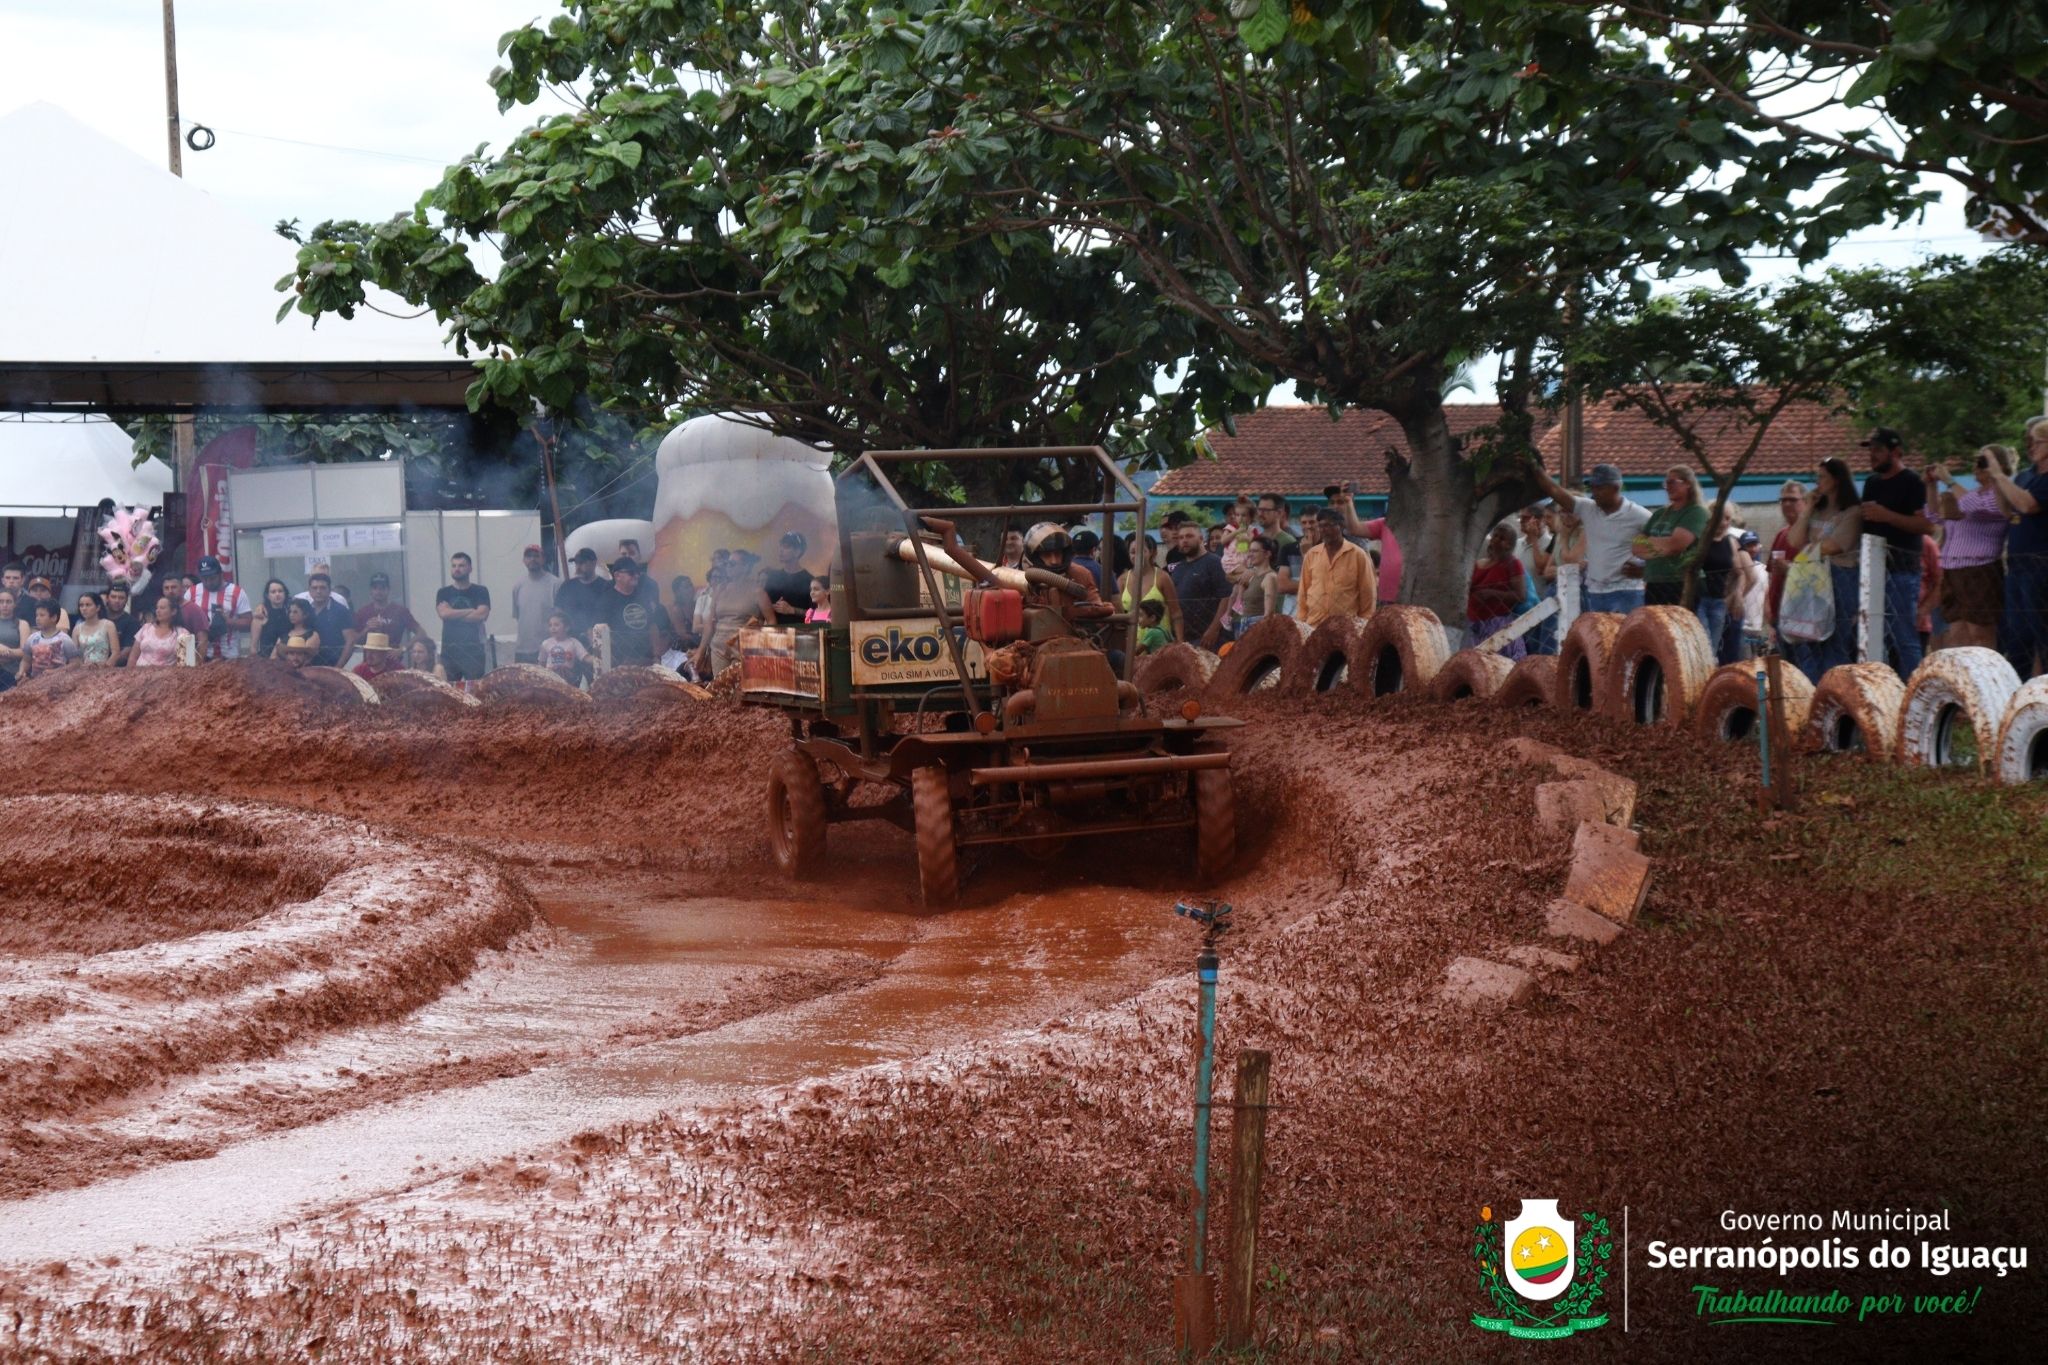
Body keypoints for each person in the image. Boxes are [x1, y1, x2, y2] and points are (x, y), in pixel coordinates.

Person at [1527, 460, 1652, 615]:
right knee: (1599, 639)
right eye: (1592, 487)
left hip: (1627, 592)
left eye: (1599, 487)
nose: (1594, 492)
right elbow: (1555, 491)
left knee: (1625, 638)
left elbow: (1663, 545)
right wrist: (1533, 466)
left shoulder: (1640, 516)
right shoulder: (1588, 508)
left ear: (1616, 487)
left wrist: (1647, 569)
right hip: (1595, 593)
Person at [1857, 427, 1932, 679]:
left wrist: (1887, 516)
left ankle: (1913, 690)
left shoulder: (1912, 482)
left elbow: (1925, 525)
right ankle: (1880, 685)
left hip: (1902, 571)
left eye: (1878, 450)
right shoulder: (1871, 483)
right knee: (1872, 634)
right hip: (1872, 570)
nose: (1873, 455)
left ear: (1896, 451)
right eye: (1871, 450)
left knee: (1903, 635)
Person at [1784, 457, 1864, 681]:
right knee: (1809, 639)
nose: (1817, 482)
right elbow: (1794, 539)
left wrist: (1807, 552)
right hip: (1812, 579)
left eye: (1822, 477)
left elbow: (1835, 545)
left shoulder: (1852, 511)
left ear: (1836, 479)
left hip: (1840, 576)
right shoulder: (1818, 510)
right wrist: (1808, 508)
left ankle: (1834, 689)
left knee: (1836, 640)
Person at [1927, 446, 2014, 651]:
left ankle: (1987, 678)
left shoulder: (2000, 494)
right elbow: (1934, 516)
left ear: (1997, 466)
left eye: (1982, 462)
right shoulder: (1969, 494)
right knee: (1956, 633)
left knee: (1980, 633)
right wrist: (1931, 485)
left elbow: (1974, 506)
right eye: (1976, 461)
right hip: (1953, 568)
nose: (1976, 467)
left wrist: (1949, 481)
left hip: (1979, 568)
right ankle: (1965, 678)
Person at [1994, 419, 2048, 678]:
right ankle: (2019, 696)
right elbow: (2009, 510)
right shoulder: (2026, 475)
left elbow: (2028, 505)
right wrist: (1998, 483)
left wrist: (1998, 475)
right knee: (2016, 636)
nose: (2031, 447)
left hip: (2040, 566)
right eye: (2029, 441)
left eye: (2037, 441)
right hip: (2016, 566)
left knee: (2041, 633)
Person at [1634, 467, 1708, 607]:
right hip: (1654, 581)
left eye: (1672, 482)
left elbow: (1677, 544)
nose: (1668, 487)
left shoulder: (1696, 512)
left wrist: (1651, 544)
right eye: (1666, 483)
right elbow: (1637, 546)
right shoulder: (1659, 514)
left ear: (1687, 483)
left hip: (1681, 582)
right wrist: (1665, 546)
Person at [1293, 508, 1375, 628]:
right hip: (1314, 626)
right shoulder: (1312, 554)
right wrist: (1302, 623)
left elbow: (1368, 592)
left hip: (1346, 628)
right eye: (1320, 526)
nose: (1324, 530)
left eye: (1328, 525)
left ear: (1341, 526)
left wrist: (1364, 624)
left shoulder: (1357, 554)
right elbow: (1303, 592)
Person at [1333, 482, 1405, 605]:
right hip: (1387, 597)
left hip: (1415, 593)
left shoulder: (1424, 529)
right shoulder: (1385, 523)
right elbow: (1354, 529)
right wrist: (1349, 502)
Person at [1165, 520, 1233, 647]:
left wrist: (1214, 629)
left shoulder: (1215, 563)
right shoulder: (1178, 569)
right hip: (1186, 639)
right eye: (1181, 537)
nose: (1184, 540)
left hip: (1212, 638)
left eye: (1189, 536)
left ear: (1201, 539)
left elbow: (1227, 597)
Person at [1467, 523, 1528, 659]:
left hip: (1498, 625)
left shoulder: (1512, 564)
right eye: (1495, 536)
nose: (1497, 540)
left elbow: (1521, 595)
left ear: (1510, 544)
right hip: (1475, 625)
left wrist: (1491, 594)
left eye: (1502, 538)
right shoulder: (1478, 564)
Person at [600, 556, 671, 666]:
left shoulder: (643, 597)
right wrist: (616, 658)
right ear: (617, 576)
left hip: (647, 659)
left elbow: (652, 627)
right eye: (631, 573)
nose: (636, 576)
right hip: (621, 662)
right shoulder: (607, 600)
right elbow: (600, 632)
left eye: (637, 572)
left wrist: (656, 656)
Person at [182, 556, 252, 662]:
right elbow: (182, 623)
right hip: (199, 656)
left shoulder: (237, 592)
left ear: (220, 574)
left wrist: (228, 622)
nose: (208, 582)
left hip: (229, 656)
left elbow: (248, 622)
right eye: (204, 578)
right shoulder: (191, 592)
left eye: (212, 578)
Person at [1763, 481, 1807, 652]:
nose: (1787, 504)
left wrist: (1790, 569)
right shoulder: (1781, 534)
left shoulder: (1811, 534)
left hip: (1803, 614)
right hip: (1779, 614)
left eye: (1793, 500)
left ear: (1806, 502)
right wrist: (1768, 606)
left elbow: (1817, 575)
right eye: (1783, 500)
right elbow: (1770, 574)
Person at [435, 553, 492, 682]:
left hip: (474, 652)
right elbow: (444, 614)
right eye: (454, 565)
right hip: (449, 653)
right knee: (448, 693)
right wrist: (471, 610)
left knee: (475, 695)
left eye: (461, 565)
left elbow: (481, 615)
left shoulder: (480, 591)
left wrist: (452, 613)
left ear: (470, 568)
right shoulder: (443, 592)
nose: (457, 568)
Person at [1115, 533, 1182, 642]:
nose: (1136, 556)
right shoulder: (1122, 580)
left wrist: (1180, 641)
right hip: (1132, 644)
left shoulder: (1162, 577)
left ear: (1151, 552)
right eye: (1133, 552)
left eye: (1142, 551)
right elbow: (1117, 614)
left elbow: (1176, 613)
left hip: (1159, 644)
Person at [509, 544, 562, 665]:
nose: (532, 559)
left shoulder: (555, 584)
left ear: (543, 559)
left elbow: (561, 618)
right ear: (524, 561)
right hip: (523, 650)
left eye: (536, 556)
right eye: (529, 556)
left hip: (549, 649)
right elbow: (519, 617)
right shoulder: (518, 586)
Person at [1695, 506, 1736, 658]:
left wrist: (1734, 594)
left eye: (1728, 519)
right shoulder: (1700, 541)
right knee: (1703, 643)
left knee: (1713, 645)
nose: (1724, 522)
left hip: (1720, 601)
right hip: (1700, 599)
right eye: (1720, 517)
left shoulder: (1730, 542)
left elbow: (1740, 572)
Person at [1517, 505, 1558, 655]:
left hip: (1542, 606)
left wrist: (1534, 539)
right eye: (1521, 518)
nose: (1522, 522)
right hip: (1517, 608)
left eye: (1526, 518)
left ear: (1540, 520)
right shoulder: (1516, 543)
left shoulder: (1550, 542)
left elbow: (1541, 569)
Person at [351, 572, 423, 656]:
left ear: (388, 590)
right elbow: (353, 642)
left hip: (392, 661)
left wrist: (402, 649)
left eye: (382, 588)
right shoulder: (363, 612)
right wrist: (367, 629)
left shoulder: (400, 611)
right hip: (370, 663)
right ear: (371, 590)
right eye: (375, 588)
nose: (379, 591)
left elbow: (421, 633)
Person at [1226, 536, 1279, 638]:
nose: (1250, 555)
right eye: (1249, 551)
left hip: (1257, 628)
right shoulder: (1252, 575)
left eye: (1254, 551)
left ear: (1267, 554)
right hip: (1244, 626)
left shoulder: (1270, 577)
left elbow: (1269, 613)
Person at [757, 531, 814, 626]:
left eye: (786, 547)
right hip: (774, 634)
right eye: (781, 546)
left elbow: (817, 614)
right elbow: (762, 611)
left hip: (801, 633)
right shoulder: (773, 577)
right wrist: (770, 607)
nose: (781, 550)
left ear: (797, 552)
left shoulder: (809, 580)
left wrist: (792, 610)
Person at [302, 572, 357, 669]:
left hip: (333, 666)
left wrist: (338, 667)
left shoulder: (341, 611)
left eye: (322, 588)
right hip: (308, 667)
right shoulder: (305, 611)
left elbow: (351, 641)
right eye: (314, 588)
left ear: (330, 590)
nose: (318, 591)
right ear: (309, 591)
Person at [555, 547, 609, 643]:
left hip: (596, 641)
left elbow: (610, 615)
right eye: (576, 563)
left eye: (582, 563)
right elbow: (558, 613)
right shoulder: (567, 586)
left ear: (593, 563)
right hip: (570, 641)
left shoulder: (606, 587)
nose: (578, 567)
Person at [132, 594, 193, 667]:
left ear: (173, 611)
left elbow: (187, 665)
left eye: (162, 608)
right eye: (157, 608)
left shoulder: (184, 634)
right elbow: (133, 657)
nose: (158, 611)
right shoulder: (146, 628)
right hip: (138, 674)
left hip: (166, 676)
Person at [22, 600, 77, 678]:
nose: (37, 618)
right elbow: (26, 660)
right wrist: (22, 671)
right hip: (35, 682)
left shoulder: (65, 639)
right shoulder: (32, 638)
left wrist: (56, 671)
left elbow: (76, 663)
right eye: (36, 615)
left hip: (58, 682)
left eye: (42, 615)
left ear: (54, 617)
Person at [537, 608, 591, 683]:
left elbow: (585, 657)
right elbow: (541, 664)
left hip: (568, 680)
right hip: (550, 680)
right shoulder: (545, 643)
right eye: (550, 625)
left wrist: (597, 661)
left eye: (556, 625)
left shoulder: (574, 643)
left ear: (567, 628)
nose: (553, 628)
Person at [70, 592, 118, 667]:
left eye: (88, 605)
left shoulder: (108, 625)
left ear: (98, 607)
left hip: (105, 670)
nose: (84, 608)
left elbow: (115, 653)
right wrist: (82, 667)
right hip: (84, 671)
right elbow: (74, 656)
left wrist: (105, 667)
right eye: (81, 605)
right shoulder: (77, 629)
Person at [103, 581, 141, 666]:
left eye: (121, 598)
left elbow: (127, 651)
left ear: (126, 600)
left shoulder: (132, 622)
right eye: (113, 597)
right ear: (107, 598)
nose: (117, 601)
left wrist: (106, 665)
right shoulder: (98, 617)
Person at [668, 575, 701, 650]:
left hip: (698, 644)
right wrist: (701, 640)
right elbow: (682, 634)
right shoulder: (677, 610)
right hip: (683, 647)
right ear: (678, 592)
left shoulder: (697, 604)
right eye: (686, 587)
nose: (691, 589)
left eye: (691, 585)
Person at [0, 590, 23, 690]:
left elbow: (24, 651)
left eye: (8, 602)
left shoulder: (22, 624)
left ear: (15, 604)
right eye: (1, 601)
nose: (4, 605)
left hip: (11, 673)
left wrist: (7, 652)